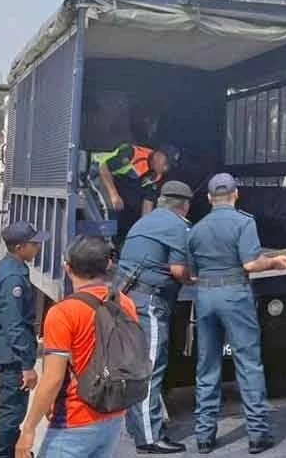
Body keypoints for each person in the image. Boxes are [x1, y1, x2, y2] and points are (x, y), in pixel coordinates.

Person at [187, 173, 286, 454]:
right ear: (236, 195)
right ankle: (257, 435)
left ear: (209, 198)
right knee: (247, 363)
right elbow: (250, 264)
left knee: (207, 365)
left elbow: (191, 273)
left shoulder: (196, 229)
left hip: (206, 297)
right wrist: (275, 262)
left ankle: (204, 437)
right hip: (235, 294)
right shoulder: (244, 222)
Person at [16, 235, 135, 458]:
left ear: (67, 267)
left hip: (75, 420)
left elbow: (53, 379)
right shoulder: (124, 303)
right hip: (113, 414)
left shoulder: (63, 312)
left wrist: (29, 428)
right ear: (107, 265)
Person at [116, 181, 194, 454]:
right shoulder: (178, 227)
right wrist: (193, 280)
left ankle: (136, 426)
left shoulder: (145, 222)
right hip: (148, 302)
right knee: (150, 367)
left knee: (133, 364)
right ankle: (150, 438)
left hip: (125, 298)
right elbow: (177, 270)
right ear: (184, 205)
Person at [0, 222, 49, 458]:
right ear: (20, 247)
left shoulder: (10, 266)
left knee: (12, 409)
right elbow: (14, 325)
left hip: (5, 349)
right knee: (11, 412)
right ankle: (2, 455)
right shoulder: (12, 277)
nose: (38, 247)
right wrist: (26, 365)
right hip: (11, 355)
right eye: (34, 244)